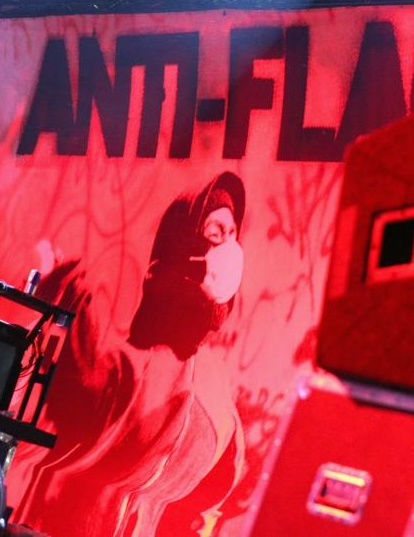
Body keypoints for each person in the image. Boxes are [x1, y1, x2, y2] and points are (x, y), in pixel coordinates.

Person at [16, 171, 249, 536]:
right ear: (183, 243)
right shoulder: (159, 371)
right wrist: (68, 288)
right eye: (217, 232)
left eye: (233, 235)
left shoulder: (200, 377)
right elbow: (101, 388)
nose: (230, 251)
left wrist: (66, 289)